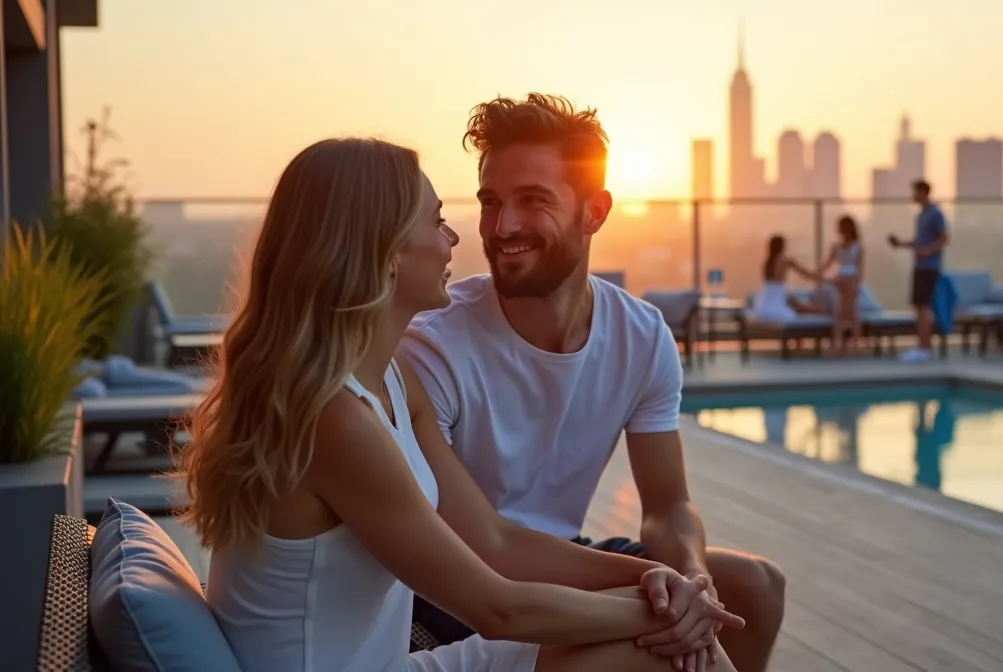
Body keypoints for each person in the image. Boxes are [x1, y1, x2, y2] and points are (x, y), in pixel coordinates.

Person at [180, 137, 743, 672]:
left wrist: (660, 578)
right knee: (671, 650)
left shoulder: (391, 381)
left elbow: (494, 540)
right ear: (383, 251)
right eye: (435, 221)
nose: (454, 239)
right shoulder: (333, 420)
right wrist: (670, 614)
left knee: (678, 646)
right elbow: (496, 610)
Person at [400, 94, 786, 672]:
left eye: (533, 201)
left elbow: (667, 505)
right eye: (491, 202)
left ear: (594, 212)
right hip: (454, 586)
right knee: (665, 619)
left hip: (564, 558)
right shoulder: (434, 345)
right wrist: (661, 591)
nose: (502, 227)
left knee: (753, 587)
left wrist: (691, 577)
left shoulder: (641, 334)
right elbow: (482, 547)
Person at [888, 180, 949, 362]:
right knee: (918, 306)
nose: (912, 195)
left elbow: (944, 238)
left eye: (915, 191)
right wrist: (901, 244)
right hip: (919, 266)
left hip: (930, 267)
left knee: (924, 306)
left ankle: (925, 347)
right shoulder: (920, 216)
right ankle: (920, 345)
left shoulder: (935, 214)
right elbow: (919, 241)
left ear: (923, 192)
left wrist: (928, 251)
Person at [815, 216, 863, 355]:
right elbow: (828, 264)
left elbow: (859, 268)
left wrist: (857, 285)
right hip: (840, 281)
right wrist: (817, 272)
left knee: (852, 314)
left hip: (851, 280)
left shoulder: (857, 247)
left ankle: (855, 344)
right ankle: (838, 344)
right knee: (839, 313)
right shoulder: (836, 247)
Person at [751, 235, 826, 322]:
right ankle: (824, 311)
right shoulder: (785, 260)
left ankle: (821, 310)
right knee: (801, 308)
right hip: (777, 304)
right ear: (782, 246)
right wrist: (824, 280)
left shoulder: (767, 262)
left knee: (797, 304)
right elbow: (805, 273)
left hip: (763, 304)